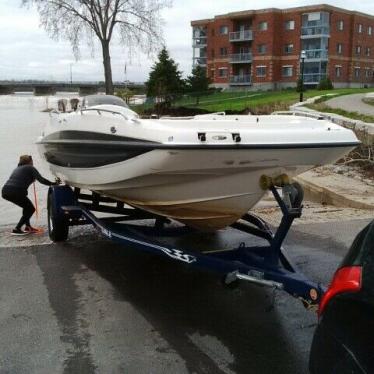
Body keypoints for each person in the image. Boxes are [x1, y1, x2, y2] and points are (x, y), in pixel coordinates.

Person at [1, 155, 59, 235]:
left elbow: (20, 180)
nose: (32, 162)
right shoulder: (30, 168)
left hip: (5, 191)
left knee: (26, 207)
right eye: (32, 161)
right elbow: (41, 180)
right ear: (29, 161)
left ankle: (28, 227)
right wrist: (53, 184)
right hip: (16, 191)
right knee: (31, 209)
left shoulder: (17, 169)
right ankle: (17, 228)